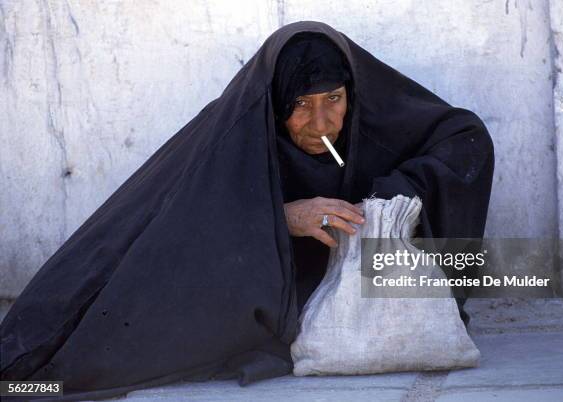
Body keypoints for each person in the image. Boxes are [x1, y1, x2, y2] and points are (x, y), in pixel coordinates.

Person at [0, 21, 493, 400]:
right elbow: (175, 226)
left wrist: (388, 197)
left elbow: (466, 140)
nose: (322, 121)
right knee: (90, 356)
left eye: (334, 99)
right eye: (300, 104)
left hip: (348, 291)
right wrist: (282, 218)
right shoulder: (235, 130)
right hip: (262, 293)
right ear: (275, 102)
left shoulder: (373, 121)